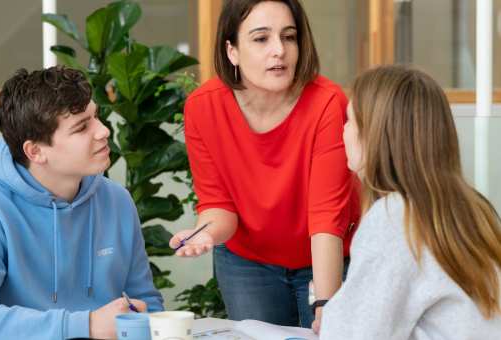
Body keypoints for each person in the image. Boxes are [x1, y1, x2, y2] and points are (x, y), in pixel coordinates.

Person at [168, 0, 360, 331]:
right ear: (232, 51)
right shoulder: (203, 108)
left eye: (289, 37)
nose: (279, 51)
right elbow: (218, 206)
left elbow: (327, 216)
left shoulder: (327, 102)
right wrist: (204, 233)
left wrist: (327, 304)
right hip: (248, 262)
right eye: (261, 39)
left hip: (326, 256)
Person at [0, 66, 164, 340]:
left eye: (96, 117)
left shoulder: (116, 200)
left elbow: (145, 304)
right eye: (82, 127)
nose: (103, 131)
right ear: (35, 151)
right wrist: (86, 325)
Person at [320, 65, 501, 339]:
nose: (343, 132)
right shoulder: (474, 208)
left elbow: (349, 334)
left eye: (349, 121)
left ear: (374, 135)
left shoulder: (395, 218)